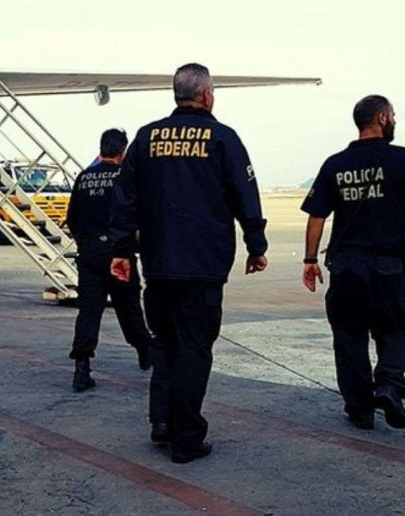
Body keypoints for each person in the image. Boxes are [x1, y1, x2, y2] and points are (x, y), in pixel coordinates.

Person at [108, 63, 269, 463]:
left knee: (165, 344)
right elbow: (244, 194)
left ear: (176, 94)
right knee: (195, 348)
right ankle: (186, 437)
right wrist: (256, 243)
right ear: (208, 95)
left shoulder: (146, 138)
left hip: (159, 264)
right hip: (203, 265)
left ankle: (161, 422)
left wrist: (121, 251)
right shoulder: (223, 138)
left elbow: (125, 199)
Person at [301, 95, 405, 431]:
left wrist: (309, 259)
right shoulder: (404, 160)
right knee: (400, 328)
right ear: (381, 118)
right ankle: (389, 384)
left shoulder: (335, 164)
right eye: (392, 115)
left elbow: (317, 216)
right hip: (389, 266)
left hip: (346, 267)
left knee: (349, 337)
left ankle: (359, 409)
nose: (394, 120)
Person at [66, 129, 153, 392]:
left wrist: (86, 243)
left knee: (89, 311)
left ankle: (81, 368)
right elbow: (136, 215)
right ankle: (145, 351)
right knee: (129, 308)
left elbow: (72, 219)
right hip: (120, 253)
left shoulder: (83, 178)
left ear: (101, 149)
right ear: (122, 150)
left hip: (90, 254)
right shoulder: (126, 177)